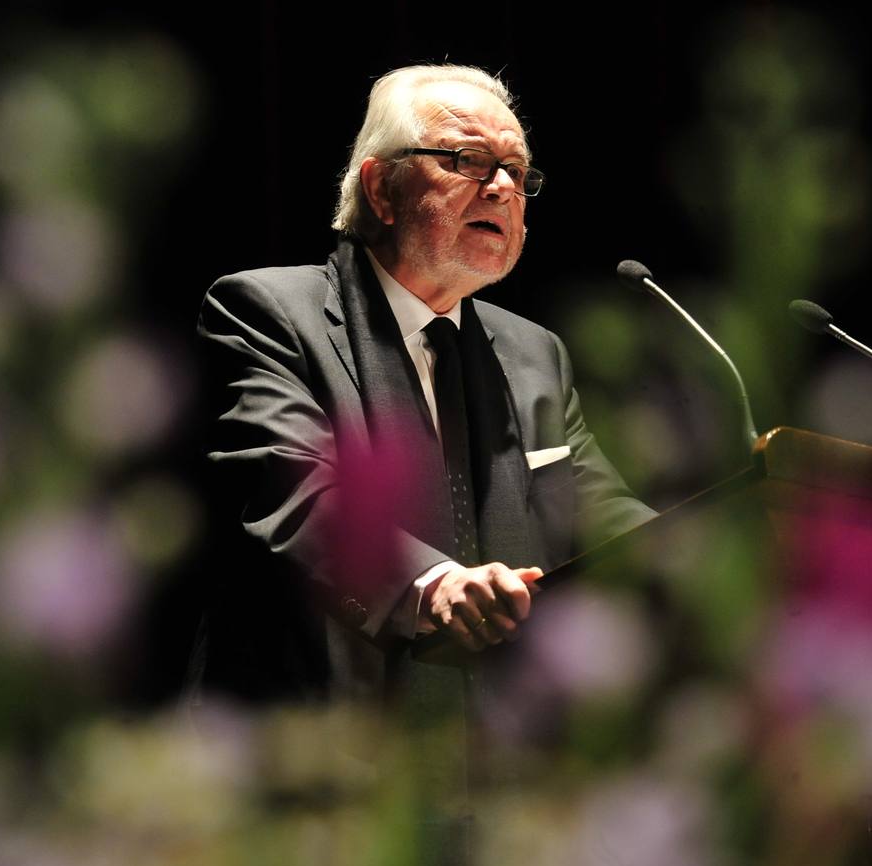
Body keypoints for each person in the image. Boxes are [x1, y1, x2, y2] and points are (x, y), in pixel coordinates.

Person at [194, 64, 654, 704]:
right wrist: (432, 584)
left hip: (505, 749)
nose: (501, 188)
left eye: (517, 172)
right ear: (381, 188)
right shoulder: (267, 312)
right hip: (321, 738)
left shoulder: (534, 354)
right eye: (467, 160)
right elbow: (293, 491)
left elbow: (604, 515)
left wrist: (705, 558)